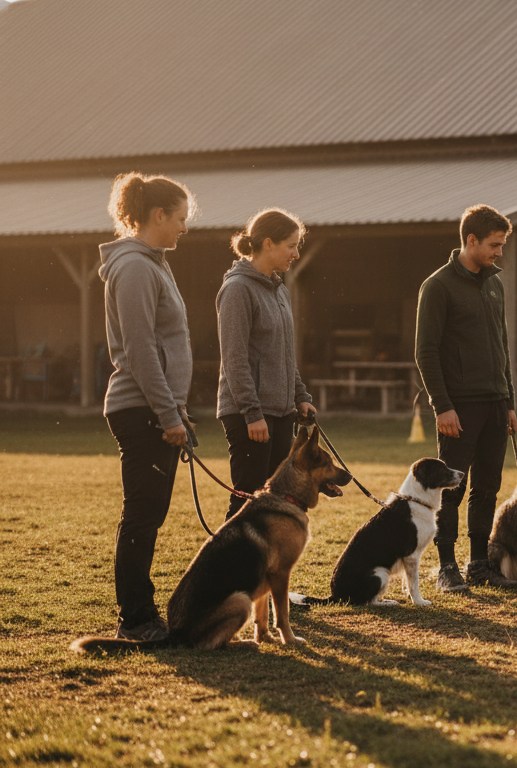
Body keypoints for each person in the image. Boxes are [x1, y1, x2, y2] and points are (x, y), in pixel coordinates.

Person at [98, 172, 196, 640]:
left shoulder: (153, 263)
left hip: (154, 407)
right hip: (141, 409)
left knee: (149, 514)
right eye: (179, 218)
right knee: (142, 513)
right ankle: (135, 619)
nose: (183, 227)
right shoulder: (136, 267)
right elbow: (140, 349)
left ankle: (139, 615)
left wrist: (175, 408)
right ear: (157, 215)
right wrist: (168, 413)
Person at [415, 204, 517, 590]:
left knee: (487, 487)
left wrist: (508, 401)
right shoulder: (438, 286)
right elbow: (425, 351)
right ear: (470, 240)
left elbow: (502, 345)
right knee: (451, 490)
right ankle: (446, 568)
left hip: (495, 404)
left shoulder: (495, 283)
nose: (499, 252)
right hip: (459, 407)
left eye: (502, 245)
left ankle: (479, 565)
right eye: (494, 244)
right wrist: (442, 405)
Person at [216, 208, 317, 519]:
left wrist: (300, 396)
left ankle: (262, 568)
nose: (296, 254)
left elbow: (284, 353)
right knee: (248, 501)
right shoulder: (237, 289)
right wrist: (251, 412)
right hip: (251, 416)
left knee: (276, 502)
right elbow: (235, 358)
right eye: (291, 245)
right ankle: (230, 566)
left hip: (281, 412)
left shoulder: (280, 290)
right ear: (268, 243)